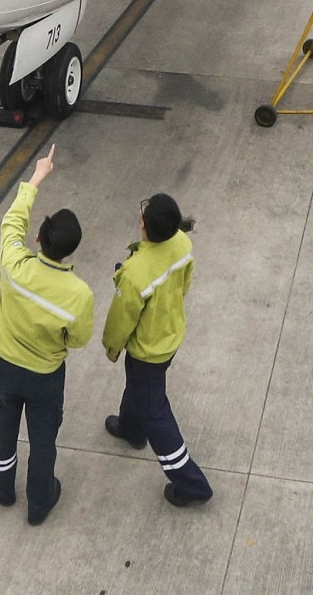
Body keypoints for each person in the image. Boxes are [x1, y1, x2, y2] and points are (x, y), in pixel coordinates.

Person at [0, 144, 94, 526]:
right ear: (70, 251)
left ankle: (0, 484)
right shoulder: (79, 293)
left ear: (39, 240)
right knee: (43, 440)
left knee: (1, 428)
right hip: (46, 377)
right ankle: (40, 500)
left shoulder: (15, 264)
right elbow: (78, 340)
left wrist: (37, 178)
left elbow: (11, 223)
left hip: (6, 368)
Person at [101, 192, 212, 508]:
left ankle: (192, 484)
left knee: (156, 413)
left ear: (144, 227)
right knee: (139, 389)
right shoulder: (182, 245)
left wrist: (112, 348)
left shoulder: (136, 273)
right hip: (169, 335)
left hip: (147, 350)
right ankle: (130, 428)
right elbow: (184, 285)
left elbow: (121, 319)